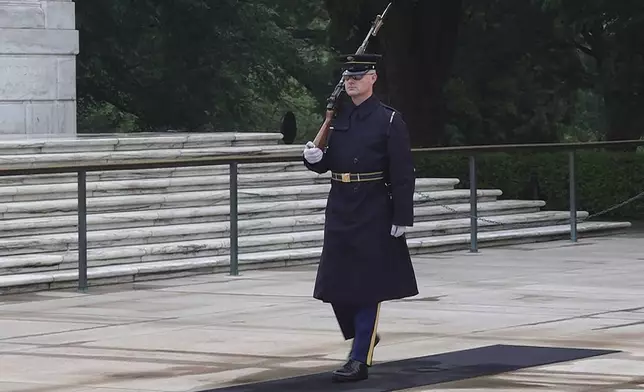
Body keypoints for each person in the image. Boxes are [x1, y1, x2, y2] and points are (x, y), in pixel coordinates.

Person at [302, 53, 419, 383]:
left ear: (373, 79)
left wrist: (402, 214)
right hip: (339, 204)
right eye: (348, 76)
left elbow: (402, 172)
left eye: (359, 75)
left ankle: (359, 358)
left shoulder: (389, 120)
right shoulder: (338, 117)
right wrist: (314, 159)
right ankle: (363, 333)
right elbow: (328, 161)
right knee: (334, 285)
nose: (352, 80)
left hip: (373, 206)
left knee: (368, 287)